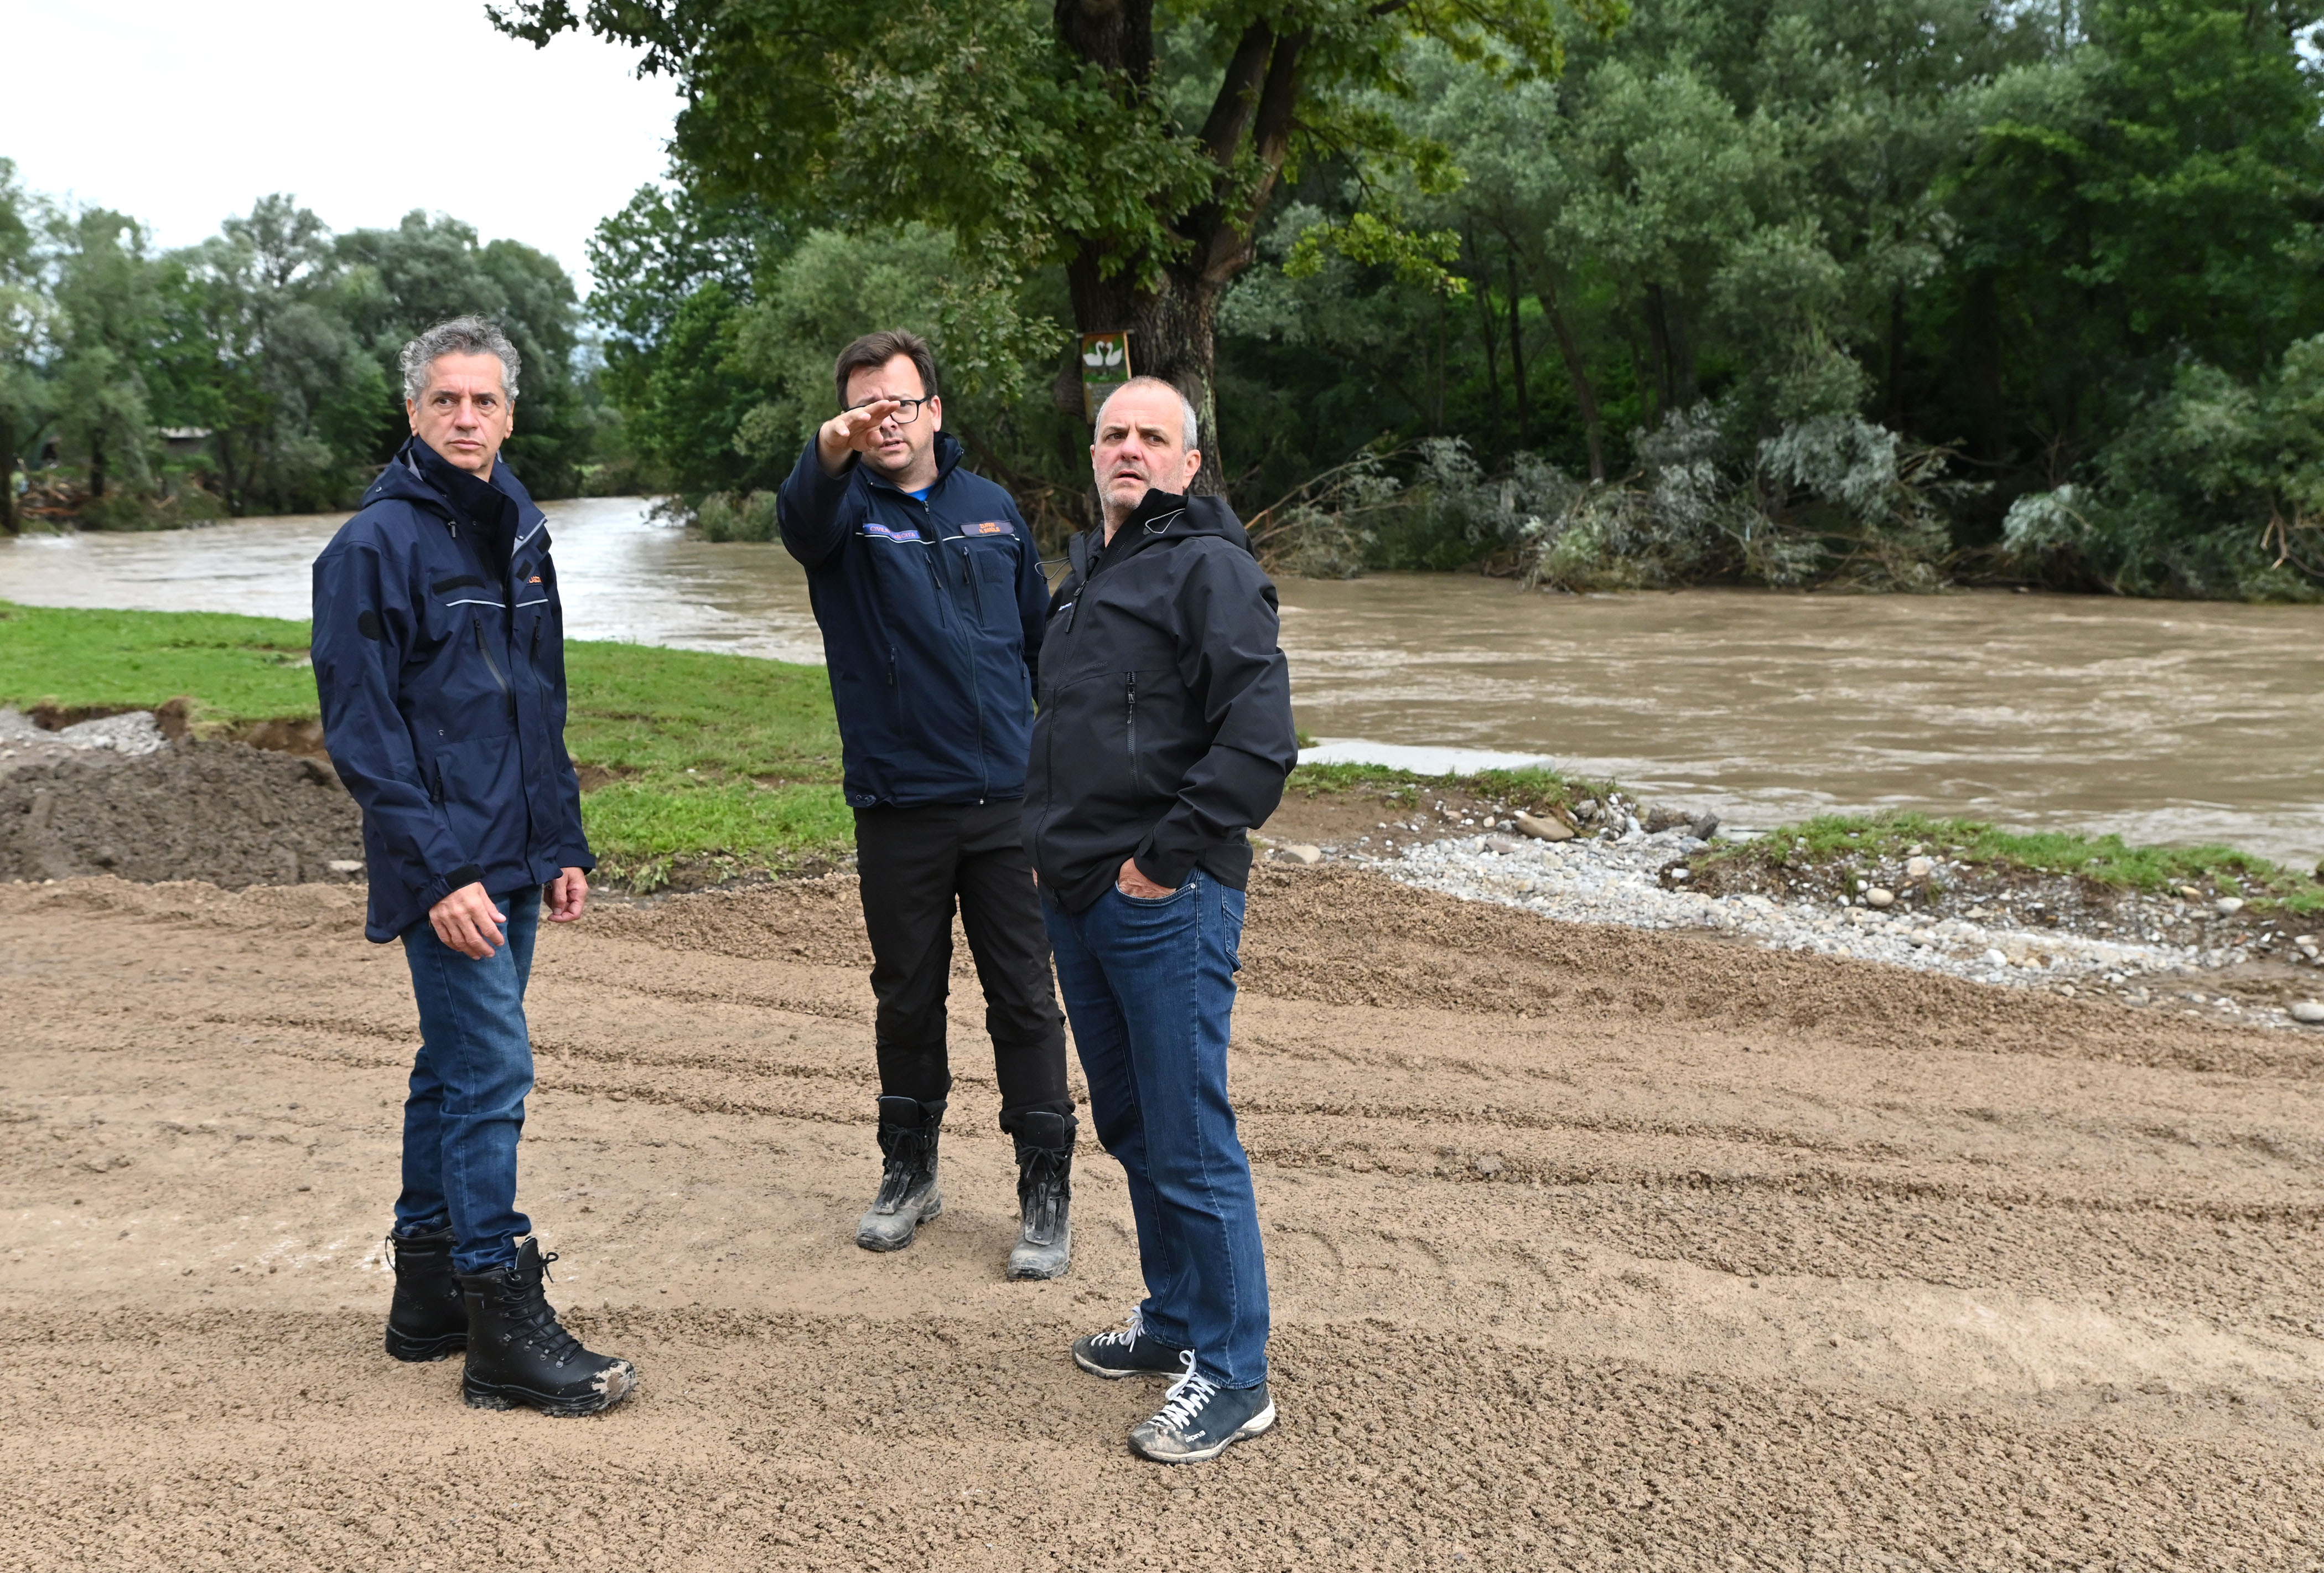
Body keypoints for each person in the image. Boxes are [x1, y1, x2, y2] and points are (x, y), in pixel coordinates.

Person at [311, 315, 635, 1416]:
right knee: (493, 1073)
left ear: (509, 411)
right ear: (413, 411)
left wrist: (562, 842)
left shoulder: (523, 529)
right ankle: (500, 1315)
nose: (465, 416)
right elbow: (366, 739)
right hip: (440, 868)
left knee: (451, 1069)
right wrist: (440, 872)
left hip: (514, 854)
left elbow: (536, 701)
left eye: (483, 400)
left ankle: (426, 1294)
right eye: (444, 400)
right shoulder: (371, 549)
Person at [1024, 375, 1298, 1463]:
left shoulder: (1211, 568)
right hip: (1080, 895)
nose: (1129, 448)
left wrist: (1159, 860)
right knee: (1134, 1125)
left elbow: (1260, 741)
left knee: (1189, 1135)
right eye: (1113, 433)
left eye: (1153, 436)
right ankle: (1176, 1316)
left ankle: (1234, 1372)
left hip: (1164, 897)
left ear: (1189, 464)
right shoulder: (1086, 580)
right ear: (1093, 455)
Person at [777, 329, 1077, 1277]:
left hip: (1006, 805)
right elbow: (799, 517)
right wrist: (829, 453)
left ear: (934, 410)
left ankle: (1045, 1184)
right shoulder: (838, 513)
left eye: (899, 403)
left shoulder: (992, 510)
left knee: (1026, 997)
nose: (885, 421)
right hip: (899, 803)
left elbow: (1042, 650)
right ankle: (909, 1171)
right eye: (866, 408)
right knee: (907, 996)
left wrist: (1060, 773)